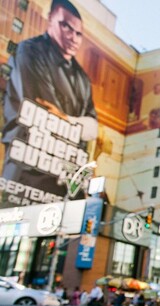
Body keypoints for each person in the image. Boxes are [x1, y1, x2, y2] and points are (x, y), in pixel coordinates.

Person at [2, 0, 98, 206]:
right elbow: (45, 109)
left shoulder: (83, 78)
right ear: (50, 21)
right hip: (25, 175)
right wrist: (77, 124)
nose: (73, 37)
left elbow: (93, 128)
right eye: (66, 26)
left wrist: (68, 120)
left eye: (78, 33)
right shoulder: (30, 50)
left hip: (63, 183)